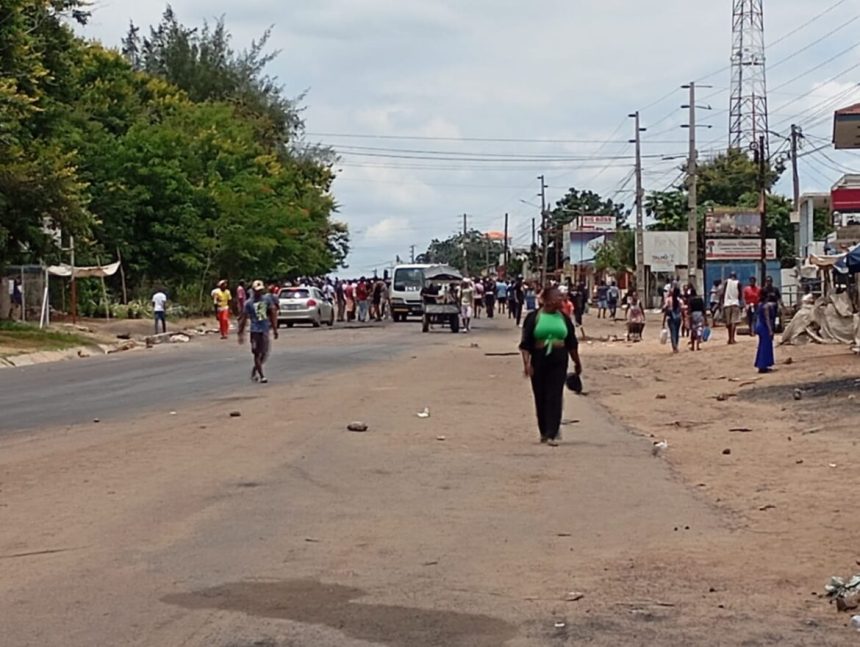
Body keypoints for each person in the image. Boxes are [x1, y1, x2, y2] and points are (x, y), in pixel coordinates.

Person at [519, 286, 582, 447]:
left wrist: (577, 362)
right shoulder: (533, 318)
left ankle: (552, 433)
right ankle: (543, 431)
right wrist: (527, 364)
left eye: (562, 297)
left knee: (555, 394)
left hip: (559, 358)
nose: (562, 300)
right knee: (540, 395)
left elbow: (572, 343)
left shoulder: (564, 318)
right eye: (558, 297)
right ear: (547, 300)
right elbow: (525, 344)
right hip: (539, 359)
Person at [238, 280, 278, 383]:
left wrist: (274, 329)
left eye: (260, 290)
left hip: (264, 330)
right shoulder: (249, 303)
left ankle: (255, 370)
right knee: (256, 353)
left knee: (264, 354)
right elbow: (243, 318)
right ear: (253, 291)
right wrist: (240, 333)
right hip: (255, 331)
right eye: (256, 291)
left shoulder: (266, 300)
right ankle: (262, 375)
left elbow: (272, 313)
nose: (258, 292)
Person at [754, 299, 776, 373]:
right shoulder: (767, 306)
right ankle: (763, 365)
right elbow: (767, 319)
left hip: (760, 326)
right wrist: (770, 330)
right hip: (764, 327)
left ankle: (762, 365)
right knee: (765, 346)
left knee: (762, 346)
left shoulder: (760, 305)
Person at [721, 272, 741, 345]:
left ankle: (729, 338)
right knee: (733, 322)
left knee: (728, 323)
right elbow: (740, 294)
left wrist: (722, 301)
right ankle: (732, 338)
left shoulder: (726, 282)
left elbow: (723, 292)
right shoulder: (738, 283)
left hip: (727, 303)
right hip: (735, 303)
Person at [662, 285, 683, 354]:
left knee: (672, 333)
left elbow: (664, 309)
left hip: (671, 318)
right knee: (677, 332)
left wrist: (663, 321)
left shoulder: (668, 300)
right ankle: (676, 345)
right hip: (678, 318)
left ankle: (674, 347)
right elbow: (681, 309)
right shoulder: (679, 300)